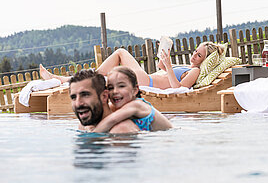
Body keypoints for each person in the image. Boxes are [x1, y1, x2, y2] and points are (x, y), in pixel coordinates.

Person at [40, 41, 225, 89]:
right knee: (105, 75)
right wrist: (164, 59)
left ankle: (61, 79)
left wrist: (168, 67)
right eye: (194, 52)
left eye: (198, 55)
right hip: (149, 78)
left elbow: (178, 88)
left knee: (120, 53)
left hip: (147, 82)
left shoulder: (195, 71)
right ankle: (62, 79)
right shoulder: (187, 67)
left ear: (204, 60)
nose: (194, 56)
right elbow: (164, 70)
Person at [92, 66, 172, 132]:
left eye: (121, 86)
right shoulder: (115, 106)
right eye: (110, 88)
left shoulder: (137, 105)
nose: (115, 91)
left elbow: (112, 120)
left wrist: (91, 137)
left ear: (135, 90)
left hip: (169, 137)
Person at [69, 69, 139, 134]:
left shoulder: (121, 130)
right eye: (73, 97)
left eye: (85, 95)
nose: (78, 104)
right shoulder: (84, 126)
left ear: (104, 96)